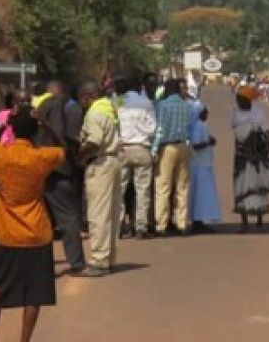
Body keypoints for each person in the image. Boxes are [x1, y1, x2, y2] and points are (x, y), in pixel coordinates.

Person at [0, 106, 66, 342]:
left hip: (6, 233)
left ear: (12, 130)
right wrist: (46, 125)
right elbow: (63, 149)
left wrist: (4, 123)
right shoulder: (41, 157)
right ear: (34, 132)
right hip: (36, 232)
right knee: (34, 294)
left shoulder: (0, 154)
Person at [35, 80, 88, 276]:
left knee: (43, 221)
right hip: (60, 170)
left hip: (39, 169)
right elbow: (69, 137)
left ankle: (42, 266)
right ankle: (76, 263)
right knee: (69, 218)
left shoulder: (39, 108)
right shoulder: (67, 108)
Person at [78, 82, 122, 276]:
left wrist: (80, 155)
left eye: (81, 99)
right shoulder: (109, 109)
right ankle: (108, 257)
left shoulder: (94, 114)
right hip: (113, 161)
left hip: (99, 163)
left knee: (98, 214)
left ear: (88, 96)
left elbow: (94, 141)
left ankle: (98, 260)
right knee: (111, 214)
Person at [232, 85, 269, 231]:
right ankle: (244, 220)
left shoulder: (257, 113)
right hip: (241, 155)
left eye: (242, 99)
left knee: (257, 185)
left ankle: (259, 216)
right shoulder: (236, 114)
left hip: (255, 156)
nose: (240, 102)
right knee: (241, 186)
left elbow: (266, 133)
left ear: (249, 100)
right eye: (238, 100)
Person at [116, 75, 156, 240]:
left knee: (120, 189)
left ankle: (118, 226)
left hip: (122, 148)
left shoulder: (117, 102)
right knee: (142, 190)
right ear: (139, 86)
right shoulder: (146, 103)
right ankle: (141, 227)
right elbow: (153, 128)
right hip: (141, 148)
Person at [152, 79, 193, 236]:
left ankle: (161, 225)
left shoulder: (163, 105)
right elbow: (188, 127)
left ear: (167, 90)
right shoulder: (186, 105)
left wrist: (154, 149)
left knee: (163, 187)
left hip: (167, 147)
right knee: (182, 187)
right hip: (183, 145)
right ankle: (181, 223)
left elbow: (160, 129)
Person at [188, 102, 222, 233]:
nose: (207, 113)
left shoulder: (200, 126)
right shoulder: (198, 126)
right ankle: (197, 222)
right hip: (200, 165)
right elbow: (196, 145)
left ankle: (199, 221)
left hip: (203, 163)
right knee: (201, 194)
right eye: (205, 111)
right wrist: (209, 142)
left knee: (200, 194)